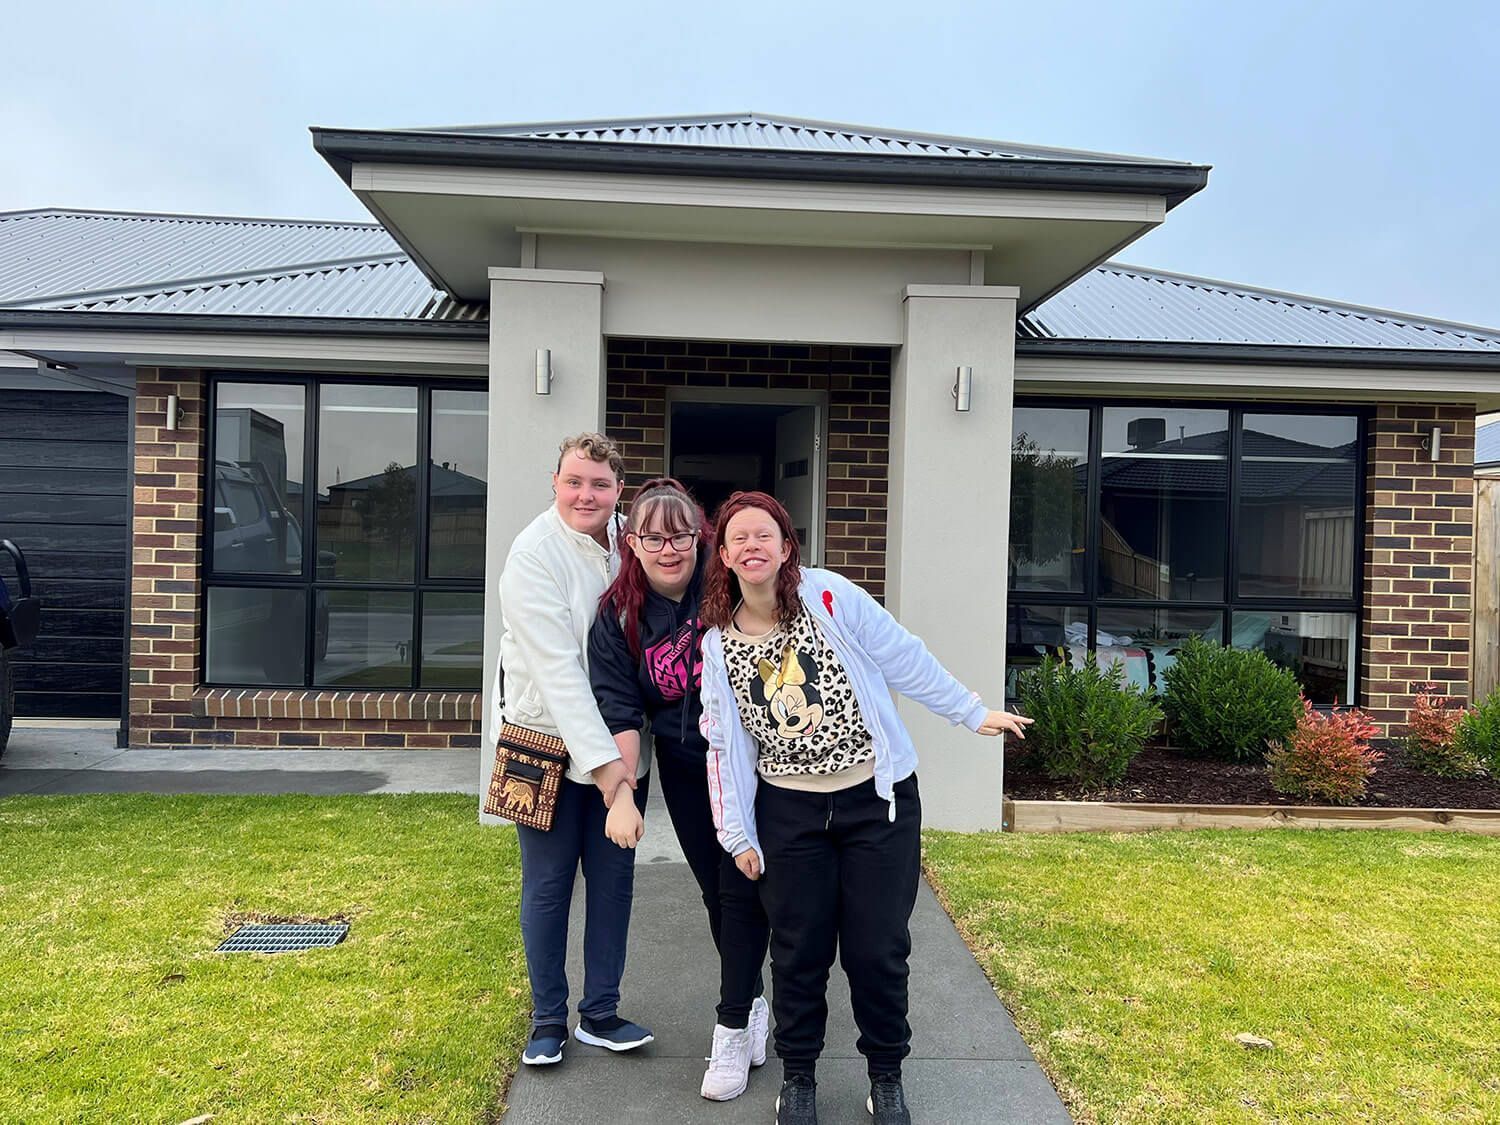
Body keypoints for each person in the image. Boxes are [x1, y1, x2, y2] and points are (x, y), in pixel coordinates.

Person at [697, 491, 1031, 1125]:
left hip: (876, 803)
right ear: (724, 554)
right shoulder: (718, 642)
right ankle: (799, 1079)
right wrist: (737, 832)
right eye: (738, 537)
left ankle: (886, 1076)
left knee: (877, 949)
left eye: (764, 534)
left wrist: (969, 710)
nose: (752, 546)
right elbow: (724, 741)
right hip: (790, 815)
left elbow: (901, 654)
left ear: (786, 545)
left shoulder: (828, 598)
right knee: (798, 951)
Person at [588, 478, 773, 1102]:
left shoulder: (728, 591)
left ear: (701, 535)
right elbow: (621, 710)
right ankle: (751, 1005)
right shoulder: (619, 617)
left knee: (744, 885)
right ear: (631, 542)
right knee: (719, 895)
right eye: (654, 537)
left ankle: (734, 1022)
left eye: (681, 535)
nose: (669, 549)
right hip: (687, 767)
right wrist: (621, 794)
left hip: (757, 762)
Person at [492, 432, 654, 1068]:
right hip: (543, 740)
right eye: (574, 481)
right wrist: (617, 782)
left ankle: (602, 1014)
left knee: (614, 881)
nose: (586, 494)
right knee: (549, 885)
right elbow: (560, 676)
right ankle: (548, 1018)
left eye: (600, 484)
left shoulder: (625, 538)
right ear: (554, 483)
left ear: (618, 490)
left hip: (617, 730)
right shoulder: (532, 556)